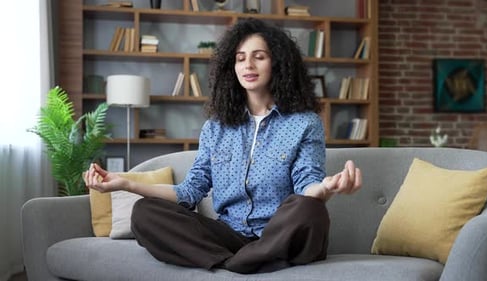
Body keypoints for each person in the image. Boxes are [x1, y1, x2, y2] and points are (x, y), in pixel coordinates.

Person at [84, 18, 362, 274]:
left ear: (278, 64)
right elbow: (189, 192)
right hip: (228, 236)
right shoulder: (216, 128)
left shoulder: (304, 123)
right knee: (145, 212)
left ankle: (239, 260)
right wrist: (125, 184)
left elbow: (306, 185)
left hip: (279, 233)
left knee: (310, 209)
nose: (248, 66)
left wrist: (326, 188)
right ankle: (243, 262)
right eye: (240, 59)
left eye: (259, 57)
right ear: (232, 67)